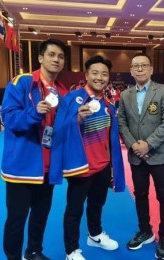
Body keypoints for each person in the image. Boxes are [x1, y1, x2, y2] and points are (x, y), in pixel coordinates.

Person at [50, 55, 125, 260]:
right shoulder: (72, 99)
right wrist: (77, 119)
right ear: (86, 75)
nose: (99, 77)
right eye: (95, 73)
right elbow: (59, 131)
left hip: (102, 166)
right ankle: (71, 250)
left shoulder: (108, 104)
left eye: (104, 74)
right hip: (81, 167)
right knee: (74, 210)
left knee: (97, 203)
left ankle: (95, 234)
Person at [0, 38, 69, 260]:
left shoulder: (62, 91)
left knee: (41, 214)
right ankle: (12, 256)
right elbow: (8, 118)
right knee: (17, 217)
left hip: (49, 166)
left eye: (60, 56)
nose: (56, 59)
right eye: (51, 54)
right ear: (40, 58)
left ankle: (33, 251)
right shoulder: (22, 82)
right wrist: (34, 113)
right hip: (22, 165)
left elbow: (64, 127)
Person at [118, 53, 164, 260]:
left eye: (144, 65)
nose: (140, 69)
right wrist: (133, 144)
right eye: (136, 66)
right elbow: (122, 122)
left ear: (151, 69)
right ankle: (145, 230)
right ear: (131, 71)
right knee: (140, 195)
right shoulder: (125, 95)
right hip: (136, 156)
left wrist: (148, 143)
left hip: (158, 155)